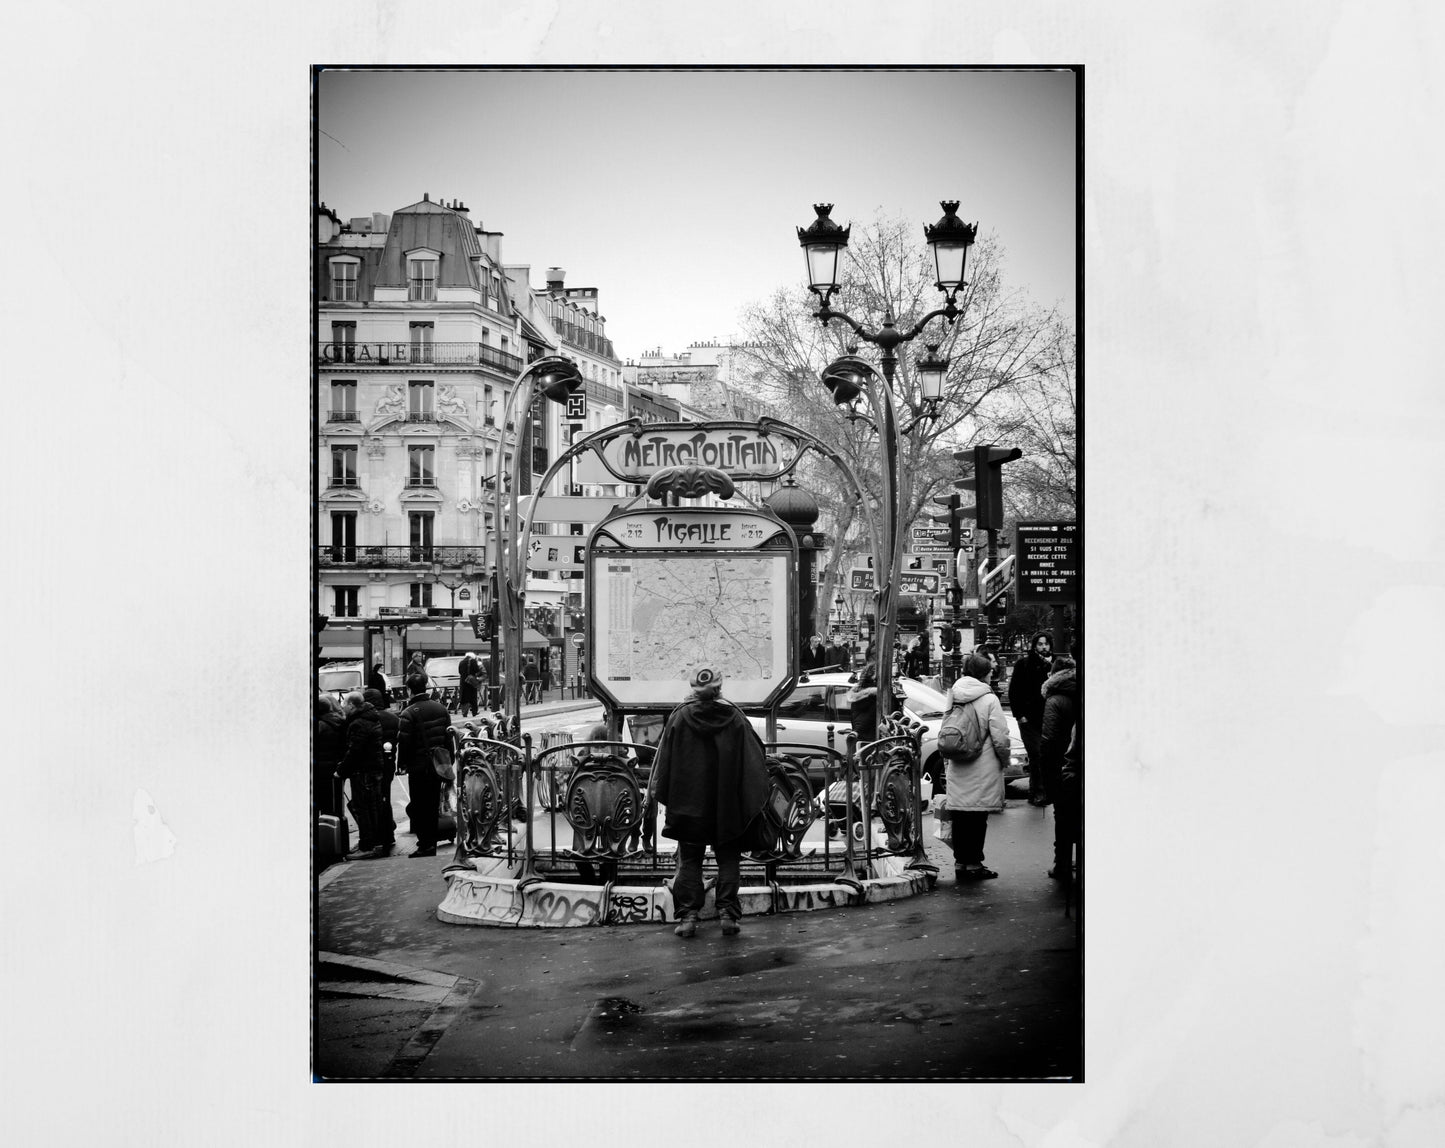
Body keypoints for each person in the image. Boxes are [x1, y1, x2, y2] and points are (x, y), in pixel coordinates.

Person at [651, 666, 769, 939]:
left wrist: (669, 798)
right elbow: (754, 761)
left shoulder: (680, 717)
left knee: (690, 860)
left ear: (693, 688)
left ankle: (689, 918)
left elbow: (664, 762)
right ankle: (728, 914)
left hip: (688, 803)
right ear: (719, 687)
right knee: (728, 859)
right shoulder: (735, 717)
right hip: (726, 804)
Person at [943, 652, 1012, 881]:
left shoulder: (953, 694)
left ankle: (961, 863)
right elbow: (1000, 737)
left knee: (961, 817)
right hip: (981, 766)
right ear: (984, 674)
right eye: (991, 672)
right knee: (977, 817)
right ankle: (974, 864)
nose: (993, 675)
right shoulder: (989, 699)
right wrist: (1004, 760)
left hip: (958, 761)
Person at [398, 673, 451, 858]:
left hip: (419, 767)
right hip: (438, 766)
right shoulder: (441, 709)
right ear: (426, 686)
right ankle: (431, 843)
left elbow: (404, 743)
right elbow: (448, 738)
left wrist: (401, 764)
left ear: (409, 689)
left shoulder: (408, 713)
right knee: (432, 805)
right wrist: (448, 762)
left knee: (419, 807)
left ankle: (425, 844)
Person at [336, 690, 392, 859]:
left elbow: (355, 751)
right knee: (373, 806)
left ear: (352, 705)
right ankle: (376, 843)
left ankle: (368, 846)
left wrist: (341, 770)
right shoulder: (370, 717)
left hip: (364, 771)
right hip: (373, 768)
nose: (342, 707)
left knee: (365, 808)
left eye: (344, 704)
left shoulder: (358, 723)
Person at [1039, 653, 1078, 880]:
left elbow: (1049, 740)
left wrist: (1046, 774)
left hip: (1063, 766)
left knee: (1062, 817)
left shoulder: (1054, 700)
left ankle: (1062, 863)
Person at [1008, 632, 1054, 806]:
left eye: (1046, 644)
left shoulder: (1053, 664)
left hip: (1047, 717)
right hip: (1029, 718)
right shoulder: (1024, 664)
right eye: (1040, 644)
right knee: (1037, 754)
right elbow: (1014, 691)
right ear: (1035, 645)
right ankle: (1040, 792)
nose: (1044, 647)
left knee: (1042, 756)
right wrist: (1020, 715)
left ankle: (1035, 792)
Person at [362, 687, 399, 853]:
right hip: (389, 763)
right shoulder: (392, 718)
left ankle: (378, 836)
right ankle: (388, 834)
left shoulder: (367, 719)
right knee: (385, 797)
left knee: (373, 801)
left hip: (372, 764)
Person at [314, 694, 347, 819]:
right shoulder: (341, 722)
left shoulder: (320, 726)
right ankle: (337, 832)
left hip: (321, 770)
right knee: (335, 803)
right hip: (336, 768)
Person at [844, 663, 880, 745]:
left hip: (860, 739)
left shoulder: (856, 695)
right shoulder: (874, 697)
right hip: (870, 740)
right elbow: (867, 718)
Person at [458, 652, 481, 718]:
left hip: (463, 682)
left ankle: (464, 713)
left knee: (464, 697)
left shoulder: (461, 662)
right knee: (473, 697)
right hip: (471, 682)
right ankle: (474, 712)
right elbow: (477, 670)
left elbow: (459, 672)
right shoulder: (473, 661)